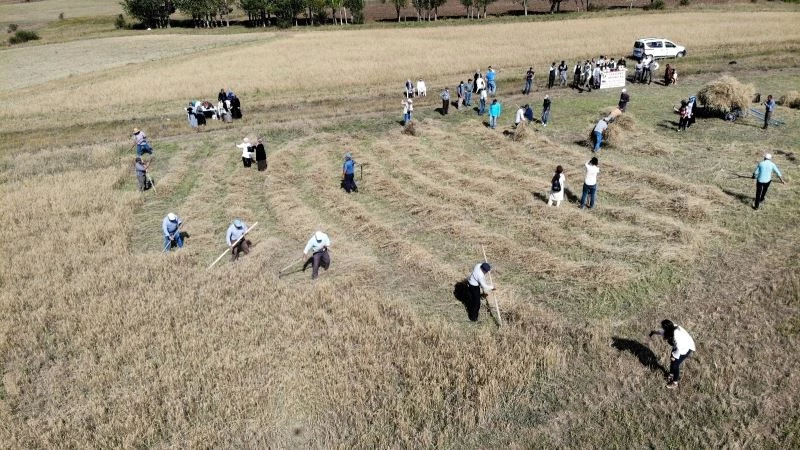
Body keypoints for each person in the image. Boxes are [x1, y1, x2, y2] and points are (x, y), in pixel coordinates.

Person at [649, 319, 696, 389]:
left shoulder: (677, 336)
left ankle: (675, 383)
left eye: (663, 327)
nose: (662, 328)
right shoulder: (671, 328)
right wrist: (654, 332)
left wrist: (674, 357)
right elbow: (663, 332)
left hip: (686, 347)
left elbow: (680, 349)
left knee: (675, 365)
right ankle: (671, 374)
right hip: (679, 346)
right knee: (672, 361)